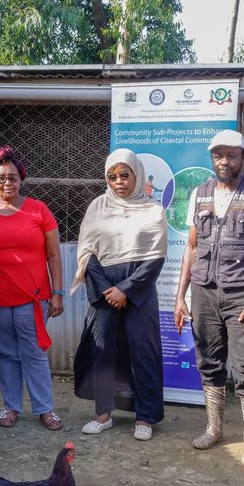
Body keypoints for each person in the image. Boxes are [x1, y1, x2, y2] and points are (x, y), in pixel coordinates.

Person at [175, 129, 244, 467]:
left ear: (242, 157)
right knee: (208, 361)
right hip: (204, 291)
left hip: (242, 295)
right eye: (219, 155)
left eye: (231, 155)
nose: (225, 161)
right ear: (213, 158)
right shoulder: (200, 194)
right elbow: (191, 248)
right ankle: (215, 428)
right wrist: (181, 296)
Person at [73, 149, 168, 440]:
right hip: (103, 290)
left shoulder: (153, 210)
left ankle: (145, 417)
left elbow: (156, 258)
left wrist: (125, 290)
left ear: (136, 175)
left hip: (138, 290)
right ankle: (103, 414)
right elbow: (87, 253)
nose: (118, 182)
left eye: (124, 175)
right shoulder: (97, 207)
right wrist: (106, 290)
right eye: (112, 176)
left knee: (144, 351)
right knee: (103, 352)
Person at [0, 145, 65, 431]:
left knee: (35, 353)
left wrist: (58, 292)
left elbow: (53, 254)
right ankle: (11, 407)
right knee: (6, 354)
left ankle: (44, 409)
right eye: (1, 178)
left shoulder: (38, 210)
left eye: (12, 177)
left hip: (33, 298)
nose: (7, 183)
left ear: (21, 179)